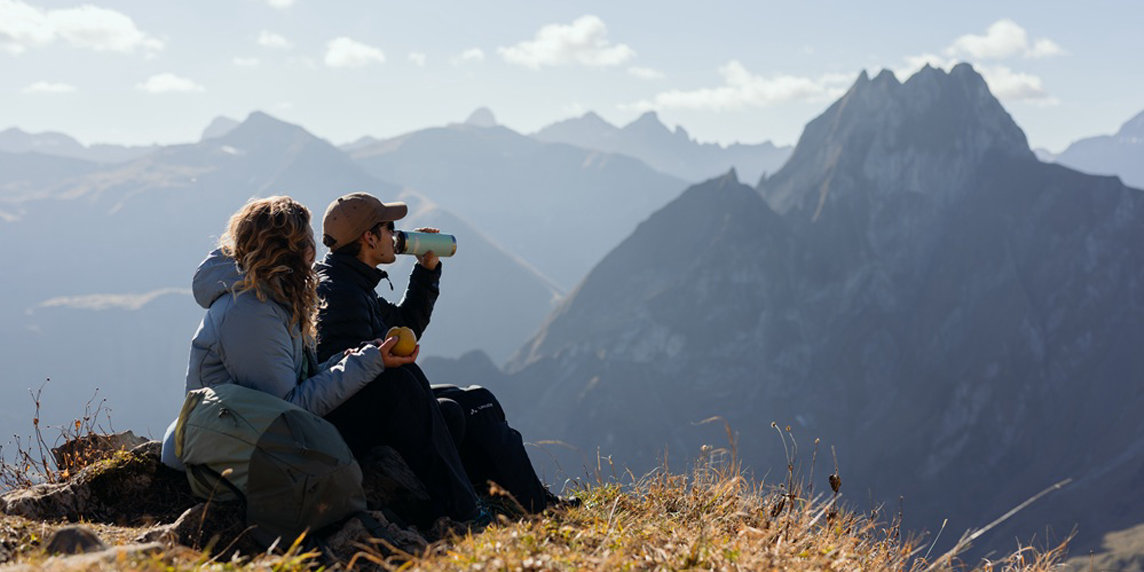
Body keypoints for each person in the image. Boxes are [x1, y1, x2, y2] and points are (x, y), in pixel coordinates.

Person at [161, 196, 484, 526]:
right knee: (397, 385)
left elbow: (297, 383)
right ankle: (465, 514)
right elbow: (288, 409)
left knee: (405, 378)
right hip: (242, 449)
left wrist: (365, 356)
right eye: (306, 241)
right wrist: (368, 363)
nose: (313, 250)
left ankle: (459, 507)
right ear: (286, 248)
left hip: (260, 436)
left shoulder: (273, 298)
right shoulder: (249, 313)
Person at [314, 192, 561, 513]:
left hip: (380, 405)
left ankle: (531, 501)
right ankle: (521, 507)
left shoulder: (348, 283)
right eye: (388, 228)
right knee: (471, 408)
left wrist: (426, 271)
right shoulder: (342, 295)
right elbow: (346, 376)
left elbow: (404, 326)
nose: (395, 235)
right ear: (370, 238)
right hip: (362, 423)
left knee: (473, 399)